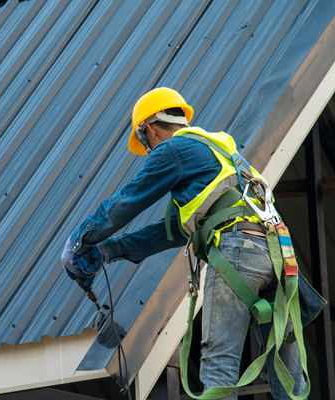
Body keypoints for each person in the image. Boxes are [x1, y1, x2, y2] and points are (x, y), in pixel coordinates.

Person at [60, 87, 323, 399]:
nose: (149, 151)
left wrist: (80, 241)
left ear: (149, 129)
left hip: (236, 252)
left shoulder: (173, 150)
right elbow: (172, 231)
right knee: (286, 369)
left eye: (146, 144)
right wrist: (109, 250)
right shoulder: (220, 153)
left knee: (219, 364)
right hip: (276, 254)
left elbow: (127, 201)